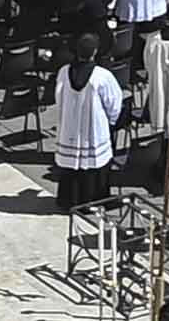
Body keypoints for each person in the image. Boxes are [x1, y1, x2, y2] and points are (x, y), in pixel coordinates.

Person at [51, 41, 128, 208]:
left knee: (71, 168)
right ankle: (96, 201)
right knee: (95, 167)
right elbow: (114, 102)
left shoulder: (64, 72)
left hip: (70, 127)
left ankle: (68, 201)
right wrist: (112, 120)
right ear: (94, 52)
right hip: (94, 128)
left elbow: (58, 97)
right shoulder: (102, 76)